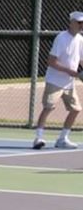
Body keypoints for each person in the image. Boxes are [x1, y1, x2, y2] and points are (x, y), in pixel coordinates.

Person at [32, 11, 83, 150]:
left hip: (69, 83)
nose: (81, 25)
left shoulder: (80, 39)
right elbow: (51, 61)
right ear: (71, 23)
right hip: (55, 81)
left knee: (76, 109)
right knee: (49, 107)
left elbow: (81, 60)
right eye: (79, 23)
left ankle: (63, 139)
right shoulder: (61, 38)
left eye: (82, 23)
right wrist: (72, 72)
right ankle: (38, 138)